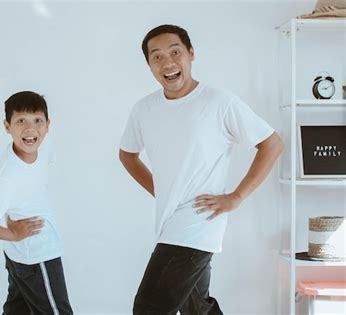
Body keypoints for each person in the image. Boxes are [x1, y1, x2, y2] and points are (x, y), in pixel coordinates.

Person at [119, 24, 284, 315]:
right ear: (148, 65)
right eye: (156, 57)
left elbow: (272, 144)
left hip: (198, 222)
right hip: (169, 221)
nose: (167, 63)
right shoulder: (144, 110)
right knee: (197, 307)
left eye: (175, 52)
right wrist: (163, 190)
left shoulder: (218, 102)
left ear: (191, 54)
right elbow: (127, 155)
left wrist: (237, 196)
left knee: (149, 308)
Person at [0, 91, 73, 314]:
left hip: (19, 255)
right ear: (7, 126)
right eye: (21, 121)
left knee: (18, 311)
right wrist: (13, 234)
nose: (30, 129)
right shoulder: (8, 176)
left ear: (47, 125)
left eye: (37, 121)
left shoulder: (42, 148)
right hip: (37, 255)